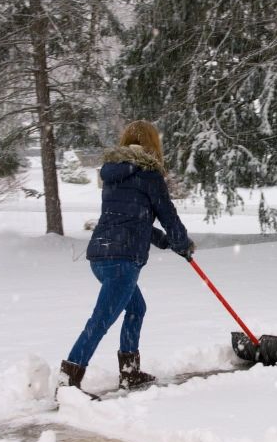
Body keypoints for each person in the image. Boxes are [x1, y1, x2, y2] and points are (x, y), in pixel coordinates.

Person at [58, 120, 195, 397]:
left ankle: (130, 373)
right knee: (101, 320)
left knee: (136, 308)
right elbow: (168, 215)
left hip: (100, 254)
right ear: (152, 145)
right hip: (123, 260)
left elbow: (134, 219)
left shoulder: (113, 175)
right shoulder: (149, 175)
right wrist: (183, 243)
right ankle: (68, 382)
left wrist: (169, 243)